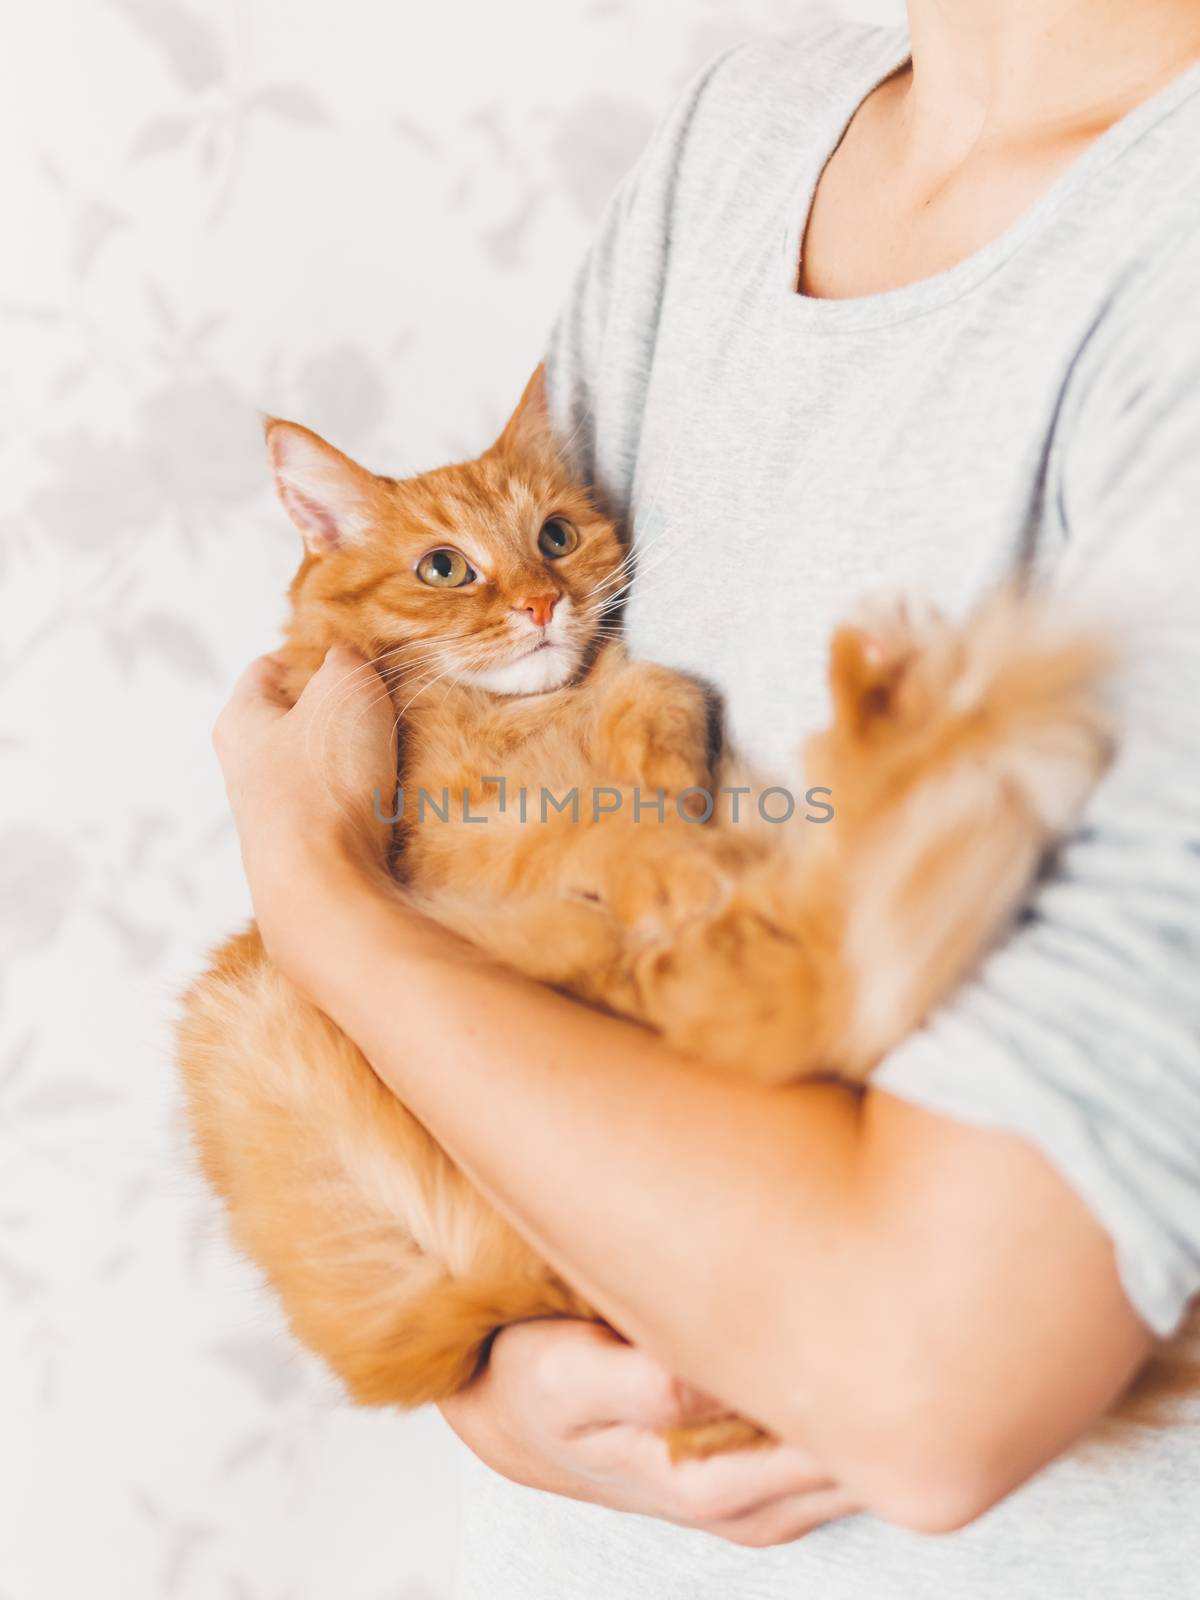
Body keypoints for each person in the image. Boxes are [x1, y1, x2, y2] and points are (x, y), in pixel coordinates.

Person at [213, 0, 1200, 1593]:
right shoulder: (750, 134)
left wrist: (315, 889)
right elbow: (461, 936)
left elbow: (928, 1385)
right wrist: (492, 1374)